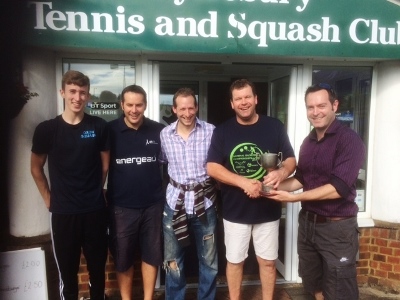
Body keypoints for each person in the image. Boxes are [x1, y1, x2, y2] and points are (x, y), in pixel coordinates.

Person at [267, 83, 366, 300]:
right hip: (308, 225)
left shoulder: (349, 140)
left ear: (335, 105)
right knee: (314, 284)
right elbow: (301, 179)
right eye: (310, 107)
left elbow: (338, 188)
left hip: (337, 228)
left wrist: (294, 199)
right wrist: (269, 184)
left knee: (340, 289)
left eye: (321, 106)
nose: (315, 112)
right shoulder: (308, 142)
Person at [206, 79, 296, 300]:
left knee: (267, 262)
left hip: (268, 209)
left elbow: (291, 159)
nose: (243, 102)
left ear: (256, 99)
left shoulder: (274, 126)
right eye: (238, 99)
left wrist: (281, 172)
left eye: (247, 97)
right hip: (235, 211)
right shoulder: (223, 131)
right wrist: (244, 182)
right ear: (232, 103)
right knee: (235, 261)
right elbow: (212, 167)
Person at [31, 70, 109, 300]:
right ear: (62, 92)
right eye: (73, 91)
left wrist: (96, 191)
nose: (77, 97)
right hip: (63, 213)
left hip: (94, 211)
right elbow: (36, 168)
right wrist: (48, 198)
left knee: (98, 271)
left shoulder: (98, 127)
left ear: (88, 96)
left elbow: (104, 167)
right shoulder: (47, 130)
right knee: (68, 274)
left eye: (82, 92)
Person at [106, 85, 165, 300]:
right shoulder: (110, 131)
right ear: (122, 105)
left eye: (138, 105)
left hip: (153, 205)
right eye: (129, 105)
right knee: (123, 259)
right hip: (121, 207)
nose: (134, 109)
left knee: (151, 256)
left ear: (145, 105)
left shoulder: (159, 131)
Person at [160, 87, 218, 300]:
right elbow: (162, 163)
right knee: (174, 260)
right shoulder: (164, 134)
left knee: (209, 261)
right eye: (182, 108)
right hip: (174, 203)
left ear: (197, 108)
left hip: (205, 204)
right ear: (174, 109)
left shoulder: (211, 131)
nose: (187, 113)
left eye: (190, 108)